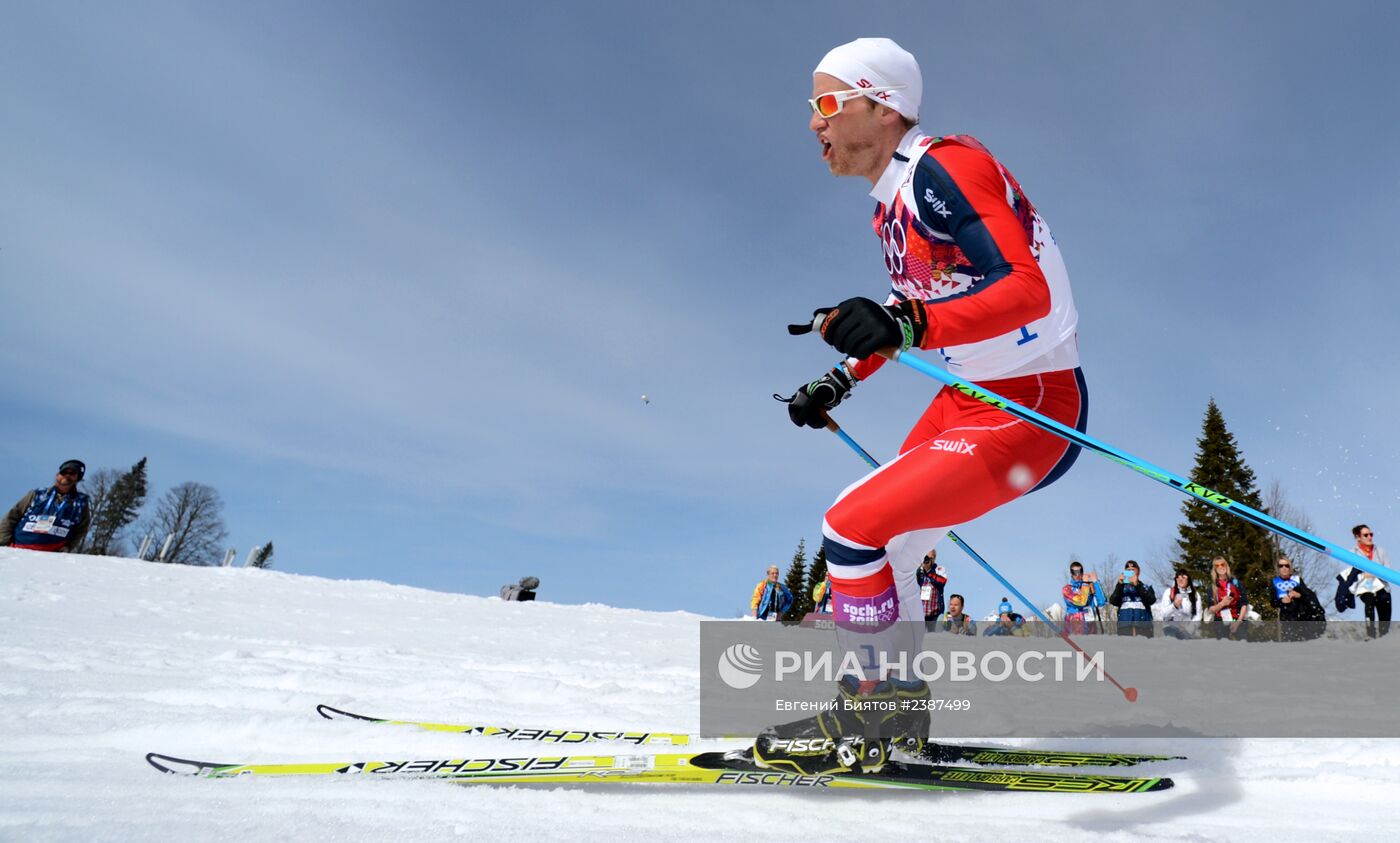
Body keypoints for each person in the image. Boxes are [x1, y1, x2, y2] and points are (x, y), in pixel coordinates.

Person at [760, 36, 1088, 777]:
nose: (813, 122)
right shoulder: (891, 208)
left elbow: (1023, 286)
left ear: (880, 106)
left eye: (826, 103)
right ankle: (895, 713)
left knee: (849, 525)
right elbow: (911, 308)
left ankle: (867, 711)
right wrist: (841, 378)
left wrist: (908, 324)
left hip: (1026, 398)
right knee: (889, 548)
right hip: (966, 394)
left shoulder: (943, 166)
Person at [0, 460, 92, 552]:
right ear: (57, 475)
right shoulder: (37, 494)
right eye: (64, 472)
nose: (67, 475)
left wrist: (68, 546)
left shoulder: (81, 502)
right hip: (19, 549)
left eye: (72, 473)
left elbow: (82, 528)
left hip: (51, 555)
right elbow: (11, 517)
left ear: (78, 478)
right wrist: (4, 543)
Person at [1340, 524, 1391, 639]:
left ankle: (1384, 635)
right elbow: (1350, 573)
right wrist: (1363, 574)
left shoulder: (1380, 551)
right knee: (1370, 600)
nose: (1369, 537)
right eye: (1366, 535)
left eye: (1371, 534)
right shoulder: (1352, 553)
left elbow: (1387, 570)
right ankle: (1370, 632)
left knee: (1385, 608)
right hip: (1364, 586)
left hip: (1382, 585)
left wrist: (1375, 573)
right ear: (1358, 537)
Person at [1269, 557, 1326, 642]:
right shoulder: (1274, 582)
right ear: (1278, 568)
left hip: (1302, 616)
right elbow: (1273, 602)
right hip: (1287, 618)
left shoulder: (1297, 580)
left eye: (1286, 565)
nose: (1284, 568)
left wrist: (1298, 595)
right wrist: (1282, 601)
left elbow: (1309, 596)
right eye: (1281, 566)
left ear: (1290, 567)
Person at [1108, 560, 1156, 638]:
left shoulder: (1146, 587)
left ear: (1138, 572)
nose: (1130, 573)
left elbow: (1151, 600)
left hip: (1144, 627)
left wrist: (1137, 585)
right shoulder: (1121, 588)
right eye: (1128, 571)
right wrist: (1120, 584)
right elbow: (1113, 601)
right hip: (1124, 627)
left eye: (1133, 570)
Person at [1207, 557, 1251, 640]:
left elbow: (1244, 603)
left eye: (1222, 564)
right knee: (1223, 647)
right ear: (1215, 569)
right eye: (1217, 565)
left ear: (1226, 566)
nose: (1220, 567)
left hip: (1237, 618)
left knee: (1243, 644)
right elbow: (1211, 609)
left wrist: (1237, 622)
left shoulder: (1236, 583)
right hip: (1221, 620)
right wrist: (1222, 604)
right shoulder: (1212, 587)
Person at [1062, 562, 1104, 635]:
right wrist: (1085, 584)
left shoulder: (1088, 587)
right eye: (1075, 572)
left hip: (1091, 628)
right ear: (1071, 573)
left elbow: (1101, 601)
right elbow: (1081, 602)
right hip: (1074, 631)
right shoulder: (1067, 589)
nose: (1078, 575)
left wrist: (1096, 582)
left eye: (1080, 571)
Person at [1160, 568, 1202, 640]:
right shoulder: (1169, 592)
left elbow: (1198, 615)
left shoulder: (1195, 595)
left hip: (1187, 631)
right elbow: (1163, 613)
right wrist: (1174, 606)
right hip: (1171, 628)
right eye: (1178, 577)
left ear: (1188, 579)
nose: (1180, 579)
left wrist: (1189, 629)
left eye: (1183, 577)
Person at [915, 549, 948, 631]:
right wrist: (919, 570)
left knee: (934, 639)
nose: (928, 560)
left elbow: (942, 581)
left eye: (932, 558)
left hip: (935, 614)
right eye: (926, 557)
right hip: (919, 614)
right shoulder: (918, 570)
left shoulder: (939, 569)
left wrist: (929, 573)